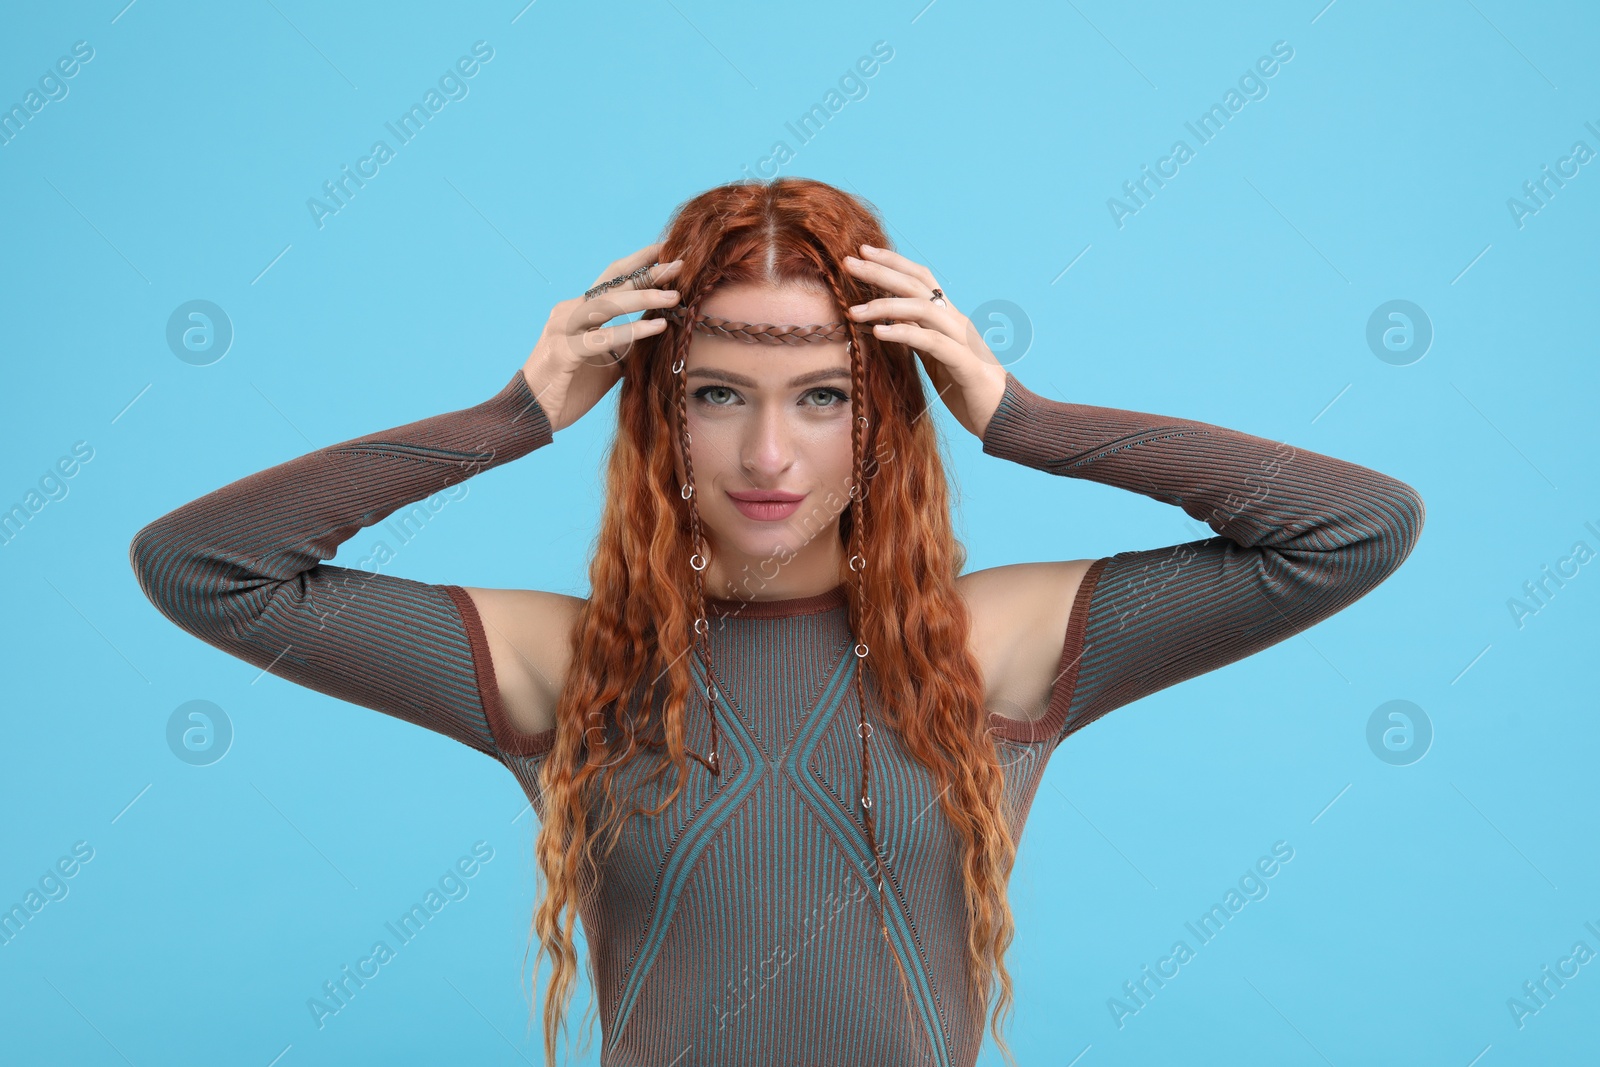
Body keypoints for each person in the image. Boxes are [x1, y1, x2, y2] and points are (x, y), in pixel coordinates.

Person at [128, 177, 1424, 1067]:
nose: (766, 454)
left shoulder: (992, 647)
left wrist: (1022, 417)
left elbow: (1351, 529)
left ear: (887, 419)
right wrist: (513, 415)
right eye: (713, 394)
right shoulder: (570, 667)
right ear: (655, 413)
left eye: (820, 396)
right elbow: (207, 567)